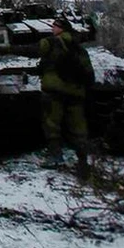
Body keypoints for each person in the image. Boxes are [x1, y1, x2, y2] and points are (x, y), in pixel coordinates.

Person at [38, 17, 92, 180]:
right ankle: (83, 160)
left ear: (60, 28)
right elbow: (89, 74)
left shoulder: (51, 43)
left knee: (52, 123)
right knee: (78, 125)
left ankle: (55, 156)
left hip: (54, 91)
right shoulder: (80, 48)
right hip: (75, 93)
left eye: (54, 26)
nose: (52, 28)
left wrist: (6, 47)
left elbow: (32, 49)